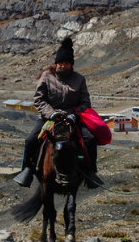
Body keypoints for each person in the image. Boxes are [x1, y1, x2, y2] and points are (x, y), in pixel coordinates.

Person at [14, 37, 102, 188]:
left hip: (72, 119)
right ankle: (27, 170)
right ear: (56, 63)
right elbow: (39, 100)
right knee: (30, 141)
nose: (63, 65)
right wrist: (50, 113)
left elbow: (85, 103)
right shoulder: (46, 77)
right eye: (61, 62)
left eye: (67, 63)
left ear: (71, 64)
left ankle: (91, 171)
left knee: (90, 140)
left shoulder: (79, 79)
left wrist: (75, 115)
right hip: (49, 119)